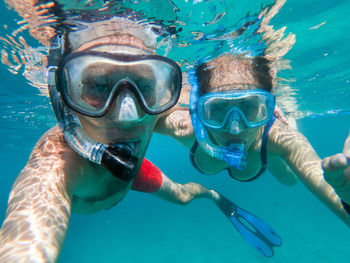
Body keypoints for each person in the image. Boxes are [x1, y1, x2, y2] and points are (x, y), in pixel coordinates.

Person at [0, 12, 282, 262]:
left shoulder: (155, 115)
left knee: (184, 196)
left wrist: (259, 126)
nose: (128, 115)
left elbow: (209, 126)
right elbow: (26, 235)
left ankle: (212, 195)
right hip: (117, 168)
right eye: (99, 84)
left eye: (146, 85)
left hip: (131, 171)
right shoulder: (54, 167)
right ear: (62, 93)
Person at [172, 53, 350, 227]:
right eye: (218, 108)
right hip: (257, 148)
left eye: (249, 106)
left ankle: (289, 123)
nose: (236, 128)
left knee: (289, 180)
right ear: (199, 110)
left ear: (267, 107)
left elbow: (319, 177)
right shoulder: (187, 128)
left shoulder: (280, 138)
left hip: (267, 147)